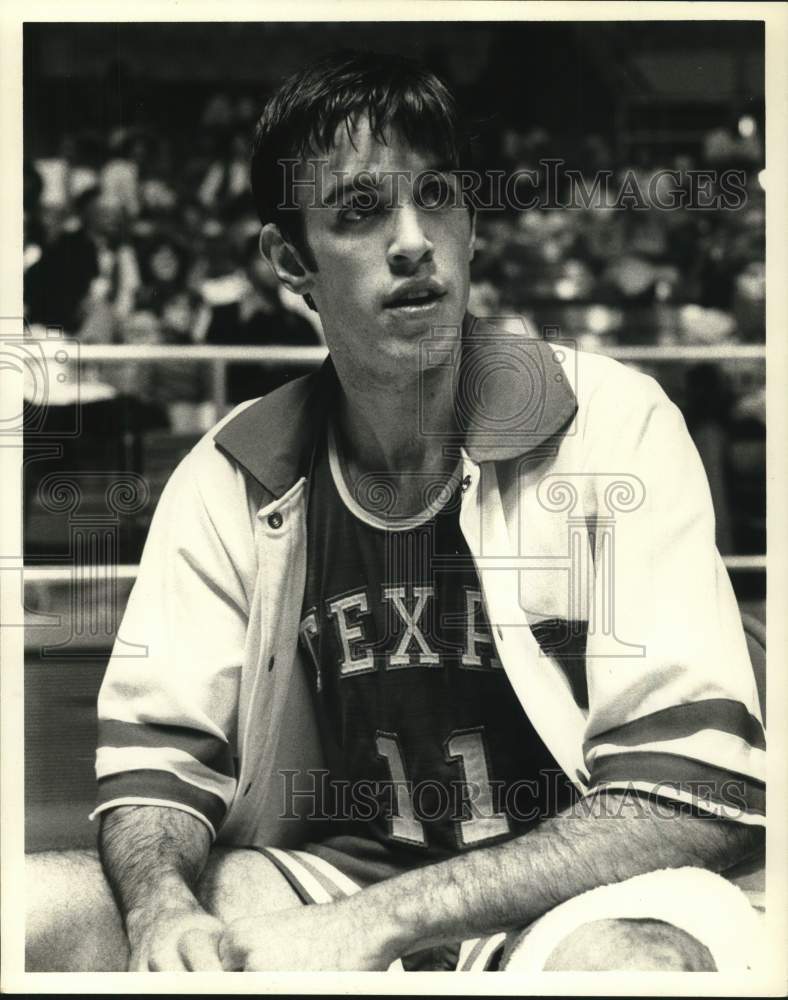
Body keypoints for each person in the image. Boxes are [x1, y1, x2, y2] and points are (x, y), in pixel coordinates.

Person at [26, 51, 765, 974]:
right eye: (362, 210)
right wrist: (163, 911)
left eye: (439, 197)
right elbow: (158, 762)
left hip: (584, 890)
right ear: (291, 259)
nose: (413, 240)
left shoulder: (610, 426)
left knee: (629, 968)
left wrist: (382, 923)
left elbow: (694, 792)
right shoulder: (235, 474)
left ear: (470, 220)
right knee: (33, 907)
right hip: (332, 880)